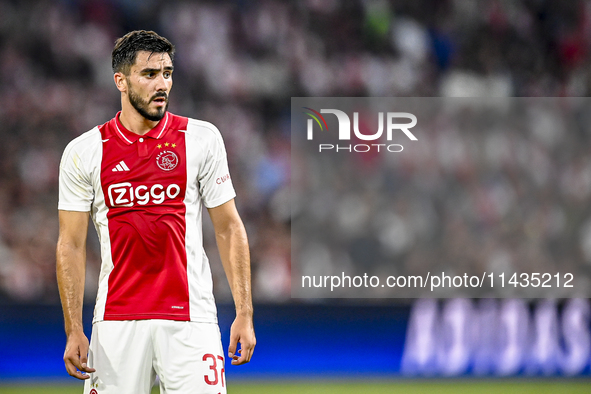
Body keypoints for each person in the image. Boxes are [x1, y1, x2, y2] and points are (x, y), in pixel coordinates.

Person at [56, 30, 255, 394]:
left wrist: (245, 312)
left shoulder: (201, 139)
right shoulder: (84, 152)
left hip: (191, 319)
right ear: (121, 80)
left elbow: (229, 228)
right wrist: (74, 328)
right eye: (149, 74)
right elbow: (69, 244)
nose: (162, 83)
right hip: (116, 322)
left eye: (167, 73)